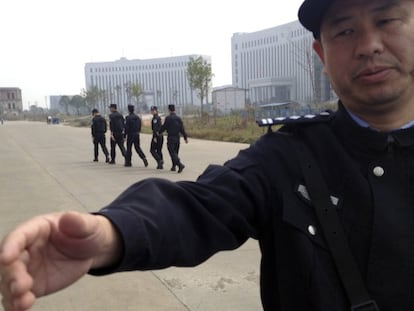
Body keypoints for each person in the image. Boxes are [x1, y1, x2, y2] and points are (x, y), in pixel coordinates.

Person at [1, 0, 413, 309]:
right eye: (344, 31)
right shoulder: (287, 157)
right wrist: (109, 234)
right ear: (322, 55)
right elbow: (201, 205)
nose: (368, 45)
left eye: (386, 19)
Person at [158, 104, 188, 173]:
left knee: (172, 153)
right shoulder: (178, 118)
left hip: (171, 137)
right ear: (175, 109)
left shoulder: (168, 118)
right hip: (177, 138)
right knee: (175, 152)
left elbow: (164, 127)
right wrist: (185, 137)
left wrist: (159, 132)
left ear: (169, 110)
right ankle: (173, 166)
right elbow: (182, 129)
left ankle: (180, 165)